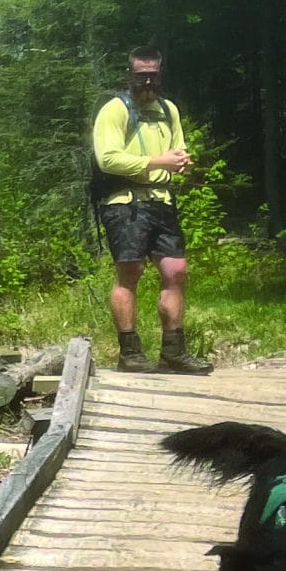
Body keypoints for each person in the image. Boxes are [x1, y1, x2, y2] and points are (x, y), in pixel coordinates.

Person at [93, 47, 209, 373]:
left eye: (153, 76)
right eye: (141, 75)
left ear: (161, 75)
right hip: (124, 202)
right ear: (129, 75)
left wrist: (181, 162)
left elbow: (178, 148)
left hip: (162, 200)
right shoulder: (114, 110)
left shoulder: (168, 110)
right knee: (130, 273)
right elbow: (108, 159)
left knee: (176, 271)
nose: (147, 82)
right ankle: (130, 353)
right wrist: (158, 162)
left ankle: (173, 351)